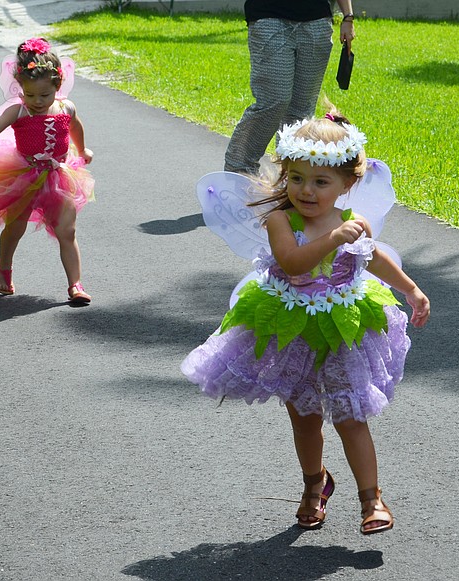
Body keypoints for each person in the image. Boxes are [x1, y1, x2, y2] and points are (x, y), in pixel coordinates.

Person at [183, 110, 430, 533]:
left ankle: (371, 499)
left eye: (320, 182)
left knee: (351, 415)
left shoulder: (354, 224)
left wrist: (410, 289)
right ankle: (315, 484)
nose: (306, 190)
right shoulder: (281, 220)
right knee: (305, 415)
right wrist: (332, 239)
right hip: (290, 327)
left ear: (347, 184)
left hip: (343, 328)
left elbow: (372, 258)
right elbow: (293, 262)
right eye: (296, 178)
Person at [0, 38, 95, 303]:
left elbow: (75, 128)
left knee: (67, 231)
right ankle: (3, 265)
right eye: (30, 94)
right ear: (21, 88)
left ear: (57, 85)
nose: (37, 101)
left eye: (44, 95)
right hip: (23, 176)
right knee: (15, 227)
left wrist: (82, 151)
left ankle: (75, 284)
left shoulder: (66, 107)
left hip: (59, 175)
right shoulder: (19, 111)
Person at [225, 0, 356, 175]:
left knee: (302, 108)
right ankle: (238, 170)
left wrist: (348, 17)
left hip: (317, 20)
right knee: (274, 101)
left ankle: (292, 175)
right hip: (269, 15)